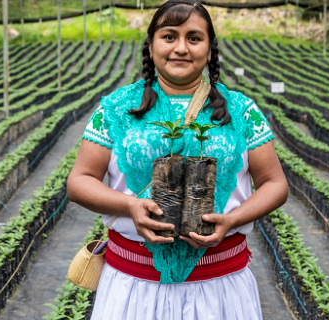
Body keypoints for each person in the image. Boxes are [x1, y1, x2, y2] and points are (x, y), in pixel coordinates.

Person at [67, 1, 289, 318]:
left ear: (210, 49)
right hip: (133, 287)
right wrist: (129, 206)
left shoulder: (240, 110)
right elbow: (79, 181)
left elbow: (275, 183)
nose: (181, 48)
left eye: (194, 38)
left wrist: (233, 220)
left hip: (220, 288)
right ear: (152, 45)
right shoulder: (118, 107)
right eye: (169, 36)